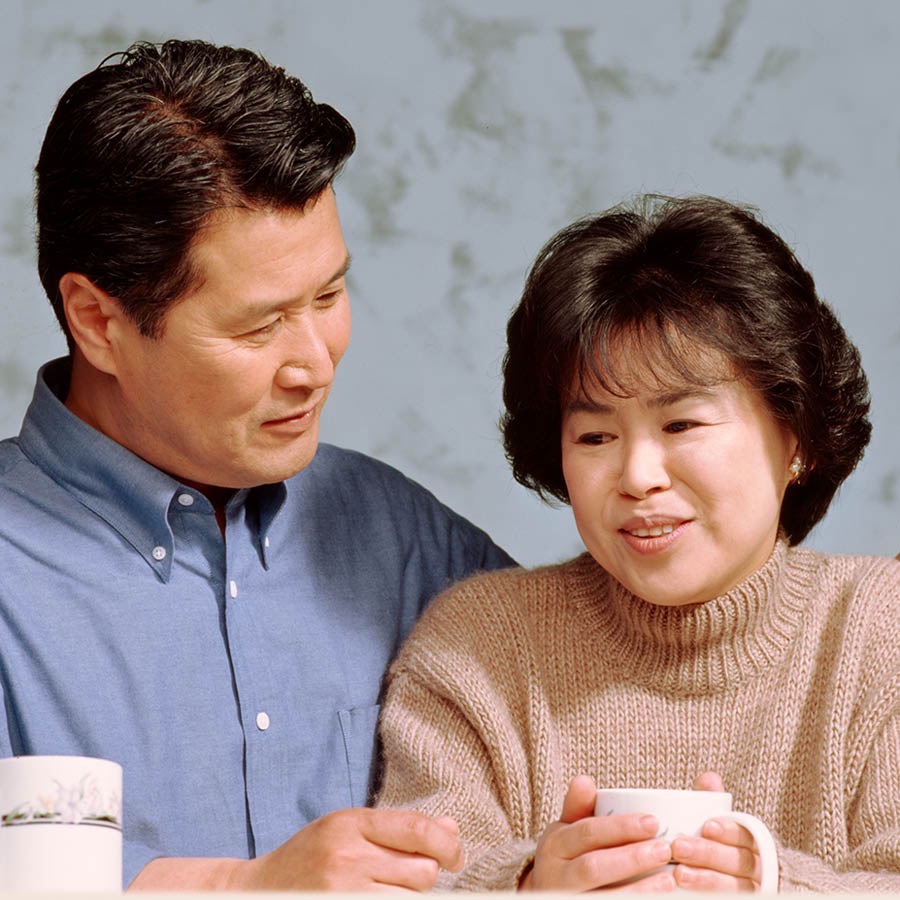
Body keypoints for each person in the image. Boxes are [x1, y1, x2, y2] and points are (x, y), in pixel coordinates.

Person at [0, 39, 515, 890]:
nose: (315, 360)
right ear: (97, 321)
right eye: (258, 325)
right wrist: (241, 889)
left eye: (328, 296)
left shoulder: (403, 538)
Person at [376, 195, 900, 892]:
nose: (637, 477)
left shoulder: (881, 631)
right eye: (595, 437)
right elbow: (409, 883)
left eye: (681, 424)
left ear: (795, 432)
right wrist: (527, 888)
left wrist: (776, 886)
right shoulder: (477, 648)